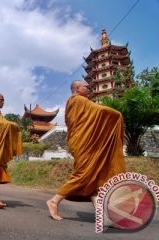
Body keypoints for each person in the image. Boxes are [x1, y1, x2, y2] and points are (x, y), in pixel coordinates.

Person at [46, 80, 125, 220]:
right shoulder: (76, 100)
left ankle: (103, 216)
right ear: (77, 88)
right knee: (83, 174)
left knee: (95, 181)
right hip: (83, 143)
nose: (90, 89)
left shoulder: (81, 102)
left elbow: (93, 117)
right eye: (86, 86)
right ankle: (54, 201)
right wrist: (117, 114)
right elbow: (100, 111)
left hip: (88, 143)